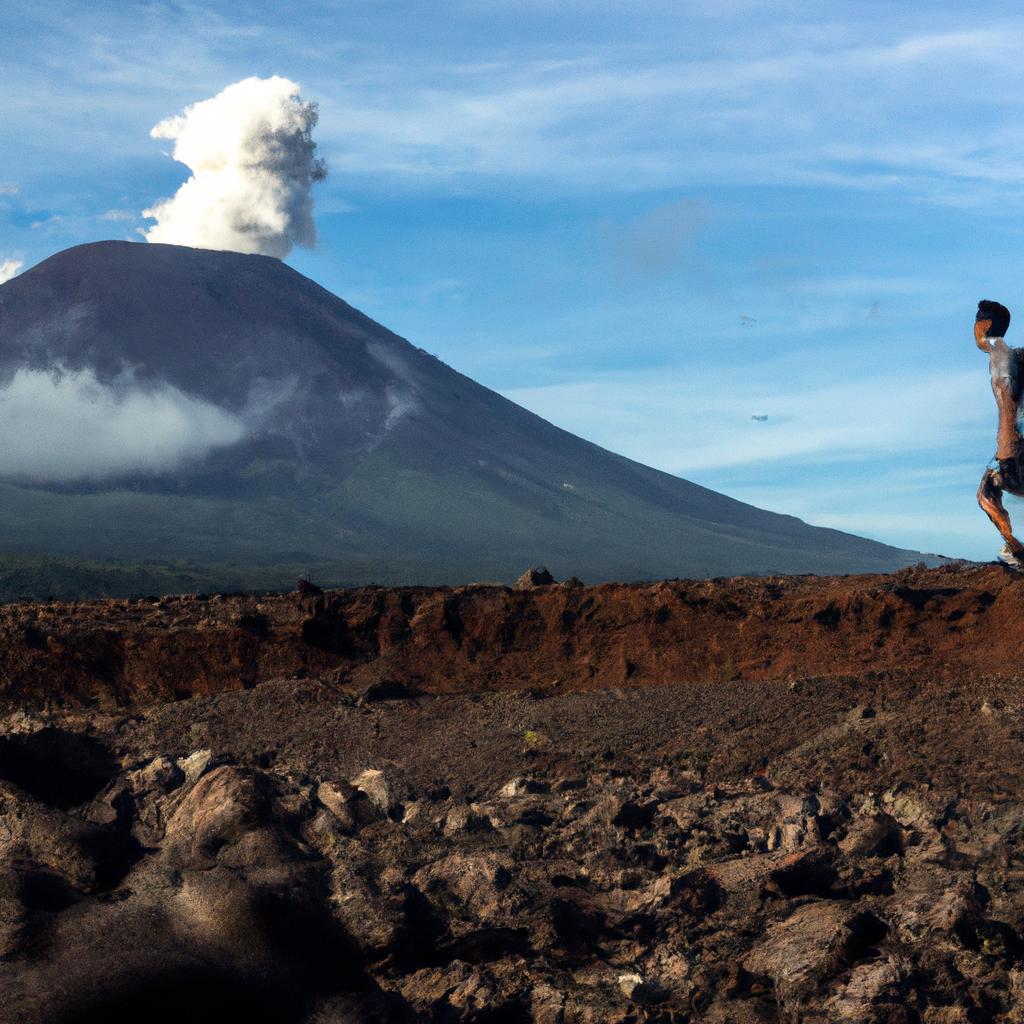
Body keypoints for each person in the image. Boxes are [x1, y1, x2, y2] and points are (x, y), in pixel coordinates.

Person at [975, 299, 1024, 569]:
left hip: (1013, 447)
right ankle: (1014, 548)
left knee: (986, 496)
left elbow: (1008, 400)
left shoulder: (998, 351)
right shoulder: (1015, 354)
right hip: (1015, 445)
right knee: (986, 494)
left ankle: (1016, 551)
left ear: (985, 324)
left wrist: (1008, 444)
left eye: (975, 324)